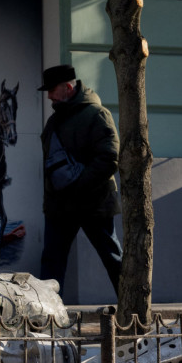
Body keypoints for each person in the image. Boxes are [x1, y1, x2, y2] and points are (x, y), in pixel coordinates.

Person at [37, 64, 123, 295]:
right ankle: (46, 313)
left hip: (94, 203)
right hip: (60, 207)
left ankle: (132, 308)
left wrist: (77, 186)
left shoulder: (97, 114)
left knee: (112, 258)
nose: (49, 96)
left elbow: (110, 158)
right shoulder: (54, 121)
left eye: (52, 90)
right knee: (52, 262)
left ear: (67, 87)